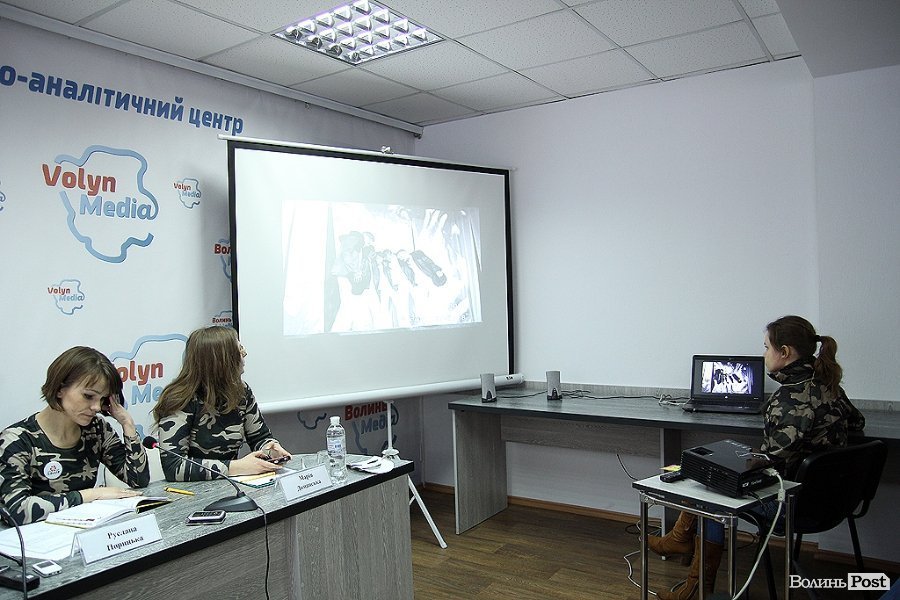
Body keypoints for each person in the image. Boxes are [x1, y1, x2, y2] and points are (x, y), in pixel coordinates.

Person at [649, 315, 865, 600]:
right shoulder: (829, 385)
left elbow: (765, 466)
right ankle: (679, 540)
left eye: (766, 347)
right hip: (838, 500)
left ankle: (692, 581)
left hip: (792, 505)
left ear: (784, 352)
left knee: (710, 488)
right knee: (713, 473)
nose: (764, 355)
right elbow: (857, 423)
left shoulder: (787, 400)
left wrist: (723, 464)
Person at [0, 347, 150, 526]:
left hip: (83, 531)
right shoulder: (16, 440)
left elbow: (138, 480)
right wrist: (90, 495)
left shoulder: (96, 429)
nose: (96, 407)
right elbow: (16, 510)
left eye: (103, 399)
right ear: (59, 389)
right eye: (88, 396)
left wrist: (128, 424)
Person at [152, 326, 290, 481]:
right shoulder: (180, 398)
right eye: (239, 349)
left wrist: (270, 448)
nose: (245, 353)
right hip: (191, 491)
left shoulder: (241, 390)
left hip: (230, 484)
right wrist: (237, 467)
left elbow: (260, 437)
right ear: (221, 360)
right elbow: (174, 466)